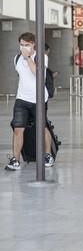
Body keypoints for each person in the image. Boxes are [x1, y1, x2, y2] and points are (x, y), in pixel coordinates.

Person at [5, 33, 54, 171]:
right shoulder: (17, 58)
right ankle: (16, 159)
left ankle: (48, 154)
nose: (23, 47)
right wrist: (23, 57)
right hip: (22, 99)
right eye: (21, 44)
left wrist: (28, 58)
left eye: (26, 44)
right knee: (18, 129)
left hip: (38, 99)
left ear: (33, 44)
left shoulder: (41, 57)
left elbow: (37, 74)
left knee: (42, 127)